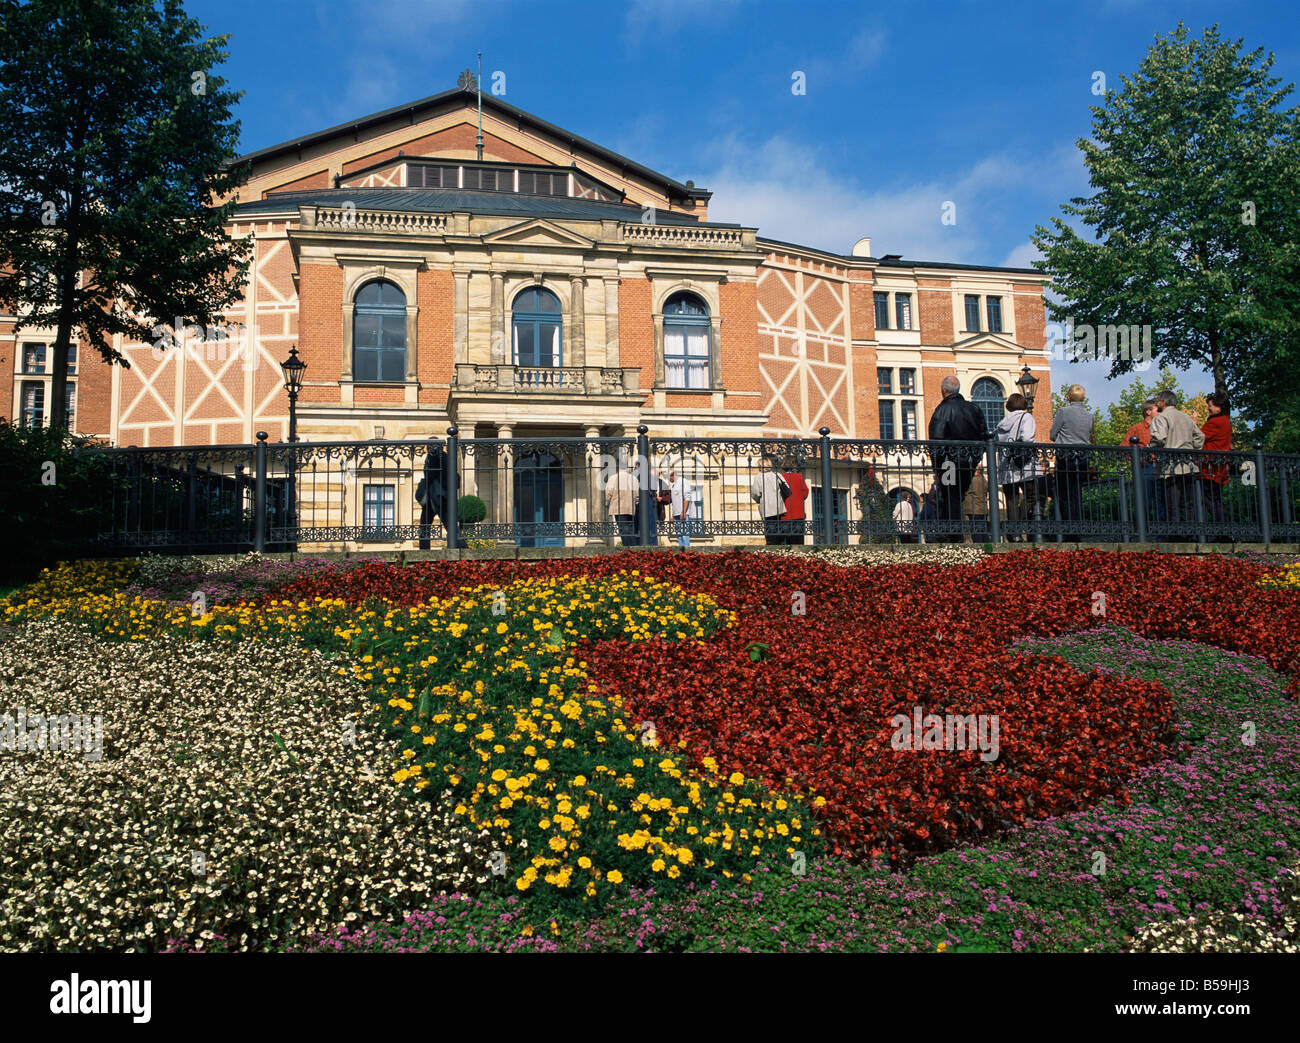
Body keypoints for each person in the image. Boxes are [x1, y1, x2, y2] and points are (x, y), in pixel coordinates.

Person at [927, 375, 986, 542]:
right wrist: (975, 459)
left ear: (944, 390)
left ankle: (953, 534)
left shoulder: (942, 410)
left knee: (948, 496)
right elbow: (983, 435)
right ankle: (957, 534)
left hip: (948, 463)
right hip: (968, 462)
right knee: (959, 495)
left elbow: (937, 440)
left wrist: (937, 467)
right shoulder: (974, 409)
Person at [1148, 389, 1205, 539]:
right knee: (1188, 503)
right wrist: (1193, 449)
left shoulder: (1161, 418)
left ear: (1163, 402)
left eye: (1158, 400)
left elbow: (1159, 438)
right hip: (1189, 464)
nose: (1156, 403)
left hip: (1170, 466)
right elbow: (1200, 436)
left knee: (1172, 503)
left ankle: (1175, 535)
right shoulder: (1186, 417)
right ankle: (1190, 534)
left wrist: (1150, 449)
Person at [1049, 384, 1095, 541]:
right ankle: (1077, 528)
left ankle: (1068, 531)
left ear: (1069, 397)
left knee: (1064, 495)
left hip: (1066, 457)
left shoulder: (1063, 412)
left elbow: (1052, 434)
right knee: (1077, 493)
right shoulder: (1089, 415)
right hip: (1083, 457)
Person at [995, 393, 1043, 541]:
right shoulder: (1026, 417)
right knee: (1033, 495)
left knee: (1011, 499)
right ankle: (1018, 525)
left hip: (1006, 464)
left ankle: (1013, 534)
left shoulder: (1003, 421)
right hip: (1024, 464)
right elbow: (1027, 437)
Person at [417, 438, 467, 549]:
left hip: (440, 496)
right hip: (434, 496)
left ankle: (463, 548)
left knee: (448, 525)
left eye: (430, 446)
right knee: (426, 525)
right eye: (428, 446)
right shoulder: (438, 456)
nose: (428, 448)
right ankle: (424, 551)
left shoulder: (438, 456)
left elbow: (432, 474)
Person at [1123, 400, 1165, 524]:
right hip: (1145, 468)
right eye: (1158, 410)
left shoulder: (1162, 427)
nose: (1161, 413)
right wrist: (1137, 459)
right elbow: (1124, 448)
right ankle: (1143, 530)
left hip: (1161, 466)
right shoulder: (1137, 428)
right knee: (1144, 501)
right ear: (1148, 412)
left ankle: (1160, 532)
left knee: (1161, 501)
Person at [1200, 391, 1232, 526]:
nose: (1208, 408)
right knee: (1216, 498)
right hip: (1218, 465)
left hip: (1210, 467)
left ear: (1219, 407)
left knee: (1210, 499)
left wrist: (1192, 423)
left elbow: (1199, 437)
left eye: (1210, 406)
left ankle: (1224, 529)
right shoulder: (1225, 420)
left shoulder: (1216, 422)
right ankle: (1225, 529)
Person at [750, 456, 791, 545]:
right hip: (778, 507)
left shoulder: (758, 477)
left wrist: (758, 500)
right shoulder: (777, 475)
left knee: (769, 530)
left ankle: (771, 546)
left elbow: (755, 493)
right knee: (778, 527)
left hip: (766, 507)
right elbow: (787, 488)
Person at [604, 459, 638, 546]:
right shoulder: (633, 478)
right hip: (630, 507)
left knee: (623, 530)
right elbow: (637, 495)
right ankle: (633, 548)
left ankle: (627, 549)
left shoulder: (613, 478)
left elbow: (608, 493)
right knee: (630, 529)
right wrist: (635, 503)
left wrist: (607, 503)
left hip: (618, 507)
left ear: (617, 467)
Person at [778, 457, 810, 545]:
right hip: (798, 512)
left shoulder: (781, 477)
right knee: (798, 540)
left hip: (785, 512)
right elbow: (805, 493)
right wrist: (798, 498)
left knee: (785, 541)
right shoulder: (799, 476)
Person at [961, 463, 990, 542]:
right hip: (982, 508)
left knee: (976, 531)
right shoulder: (984, 480)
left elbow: (965, 491)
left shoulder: (972, 480)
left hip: (973, 508)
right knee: (983, 531)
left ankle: (980, 547)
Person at [668, 467, 693, 550]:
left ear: (673, 475)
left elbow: (687, 498)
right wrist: (673, 514)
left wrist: (684, 512)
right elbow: (675, 502)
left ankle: (686, 552)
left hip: (682, 513)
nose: (669, 479)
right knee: (679, 534)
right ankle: (681, 551)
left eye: (669, 477)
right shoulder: (674, 485)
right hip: (676, 514)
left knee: (685, 533)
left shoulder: (683, 482)